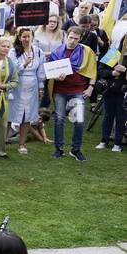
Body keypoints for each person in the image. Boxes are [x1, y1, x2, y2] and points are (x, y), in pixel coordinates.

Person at [46, 26, 91, 161]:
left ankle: (75, 149)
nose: (72, 41)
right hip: (60, 90)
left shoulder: (85, 52)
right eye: (70, 37)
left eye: (76, 39)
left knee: (79, 121)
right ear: (67, 36)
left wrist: (91, 87)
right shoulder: (57, 52)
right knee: (59, 119)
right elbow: (49, 71)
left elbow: (92, 69)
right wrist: (55, 77)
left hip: (77, 89)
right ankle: (59, 149)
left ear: (80, 39)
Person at [11, 27, 45, 156]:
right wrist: (24, 64)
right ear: (19, 38)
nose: (26, 39)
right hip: (17, 85)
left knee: (27, 115)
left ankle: (22, 143)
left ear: (32, 37)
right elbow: (13, 70)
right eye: (23, 37)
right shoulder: (14, 52)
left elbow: (40, 70)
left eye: (28, 36)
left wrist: (41, 87)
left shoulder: (39, 52)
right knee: (12, 114)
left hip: (32, 85)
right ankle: (2, 142)